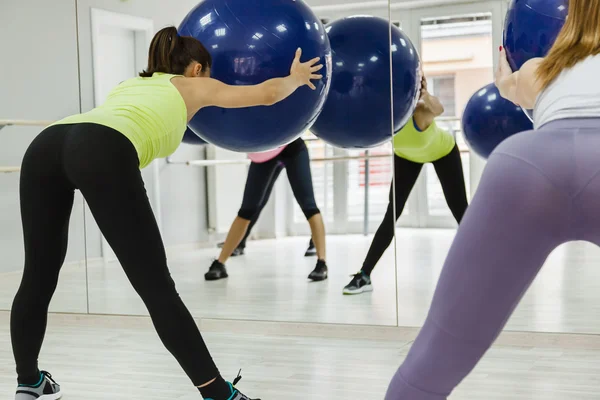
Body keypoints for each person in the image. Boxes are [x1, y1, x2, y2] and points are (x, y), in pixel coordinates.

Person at [11, 26, 323, 400]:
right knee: (157, 288)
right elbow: (268, 95)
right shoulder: (193, 85)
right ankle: (219, 394)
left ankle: (29, 383)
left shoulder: (128, 85)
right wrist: (296, 77)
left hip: (47, 144)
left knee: (38, 276)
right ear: (196, 69)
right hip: (102, 147)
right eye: (208, 73)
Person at [384, 1, 600, 398]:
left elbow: (506, 84)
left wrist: (506, 67)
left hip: (531, 165)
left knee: (433, 360)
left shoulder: (540, 67)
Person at [343, 74, 468, 295]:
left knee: (461, 212)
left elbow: (439, 109)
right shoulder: (382, 117)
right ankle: (364, 275)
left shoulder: (420, 109)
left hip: (443, 152)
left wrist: (426, 95)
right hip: (406, 156)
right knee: (392, 214)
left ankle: (490, 269)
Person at [205, 137, 328, 281]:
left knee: (309, 206)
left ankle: (322, 263)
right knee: (247, 210)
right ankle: (220, 263)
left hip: (291, 146)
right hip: (263, 150)